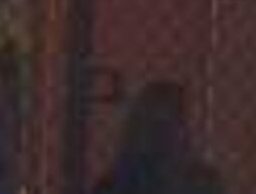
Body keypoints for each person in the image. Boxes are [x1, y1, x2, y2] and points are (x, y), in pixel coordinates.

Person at [93, 80, 225, 194]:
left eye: (178, 120)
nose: (168, 132)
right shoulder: (118, 184)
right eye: (159, 123)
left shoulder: (202, 181)